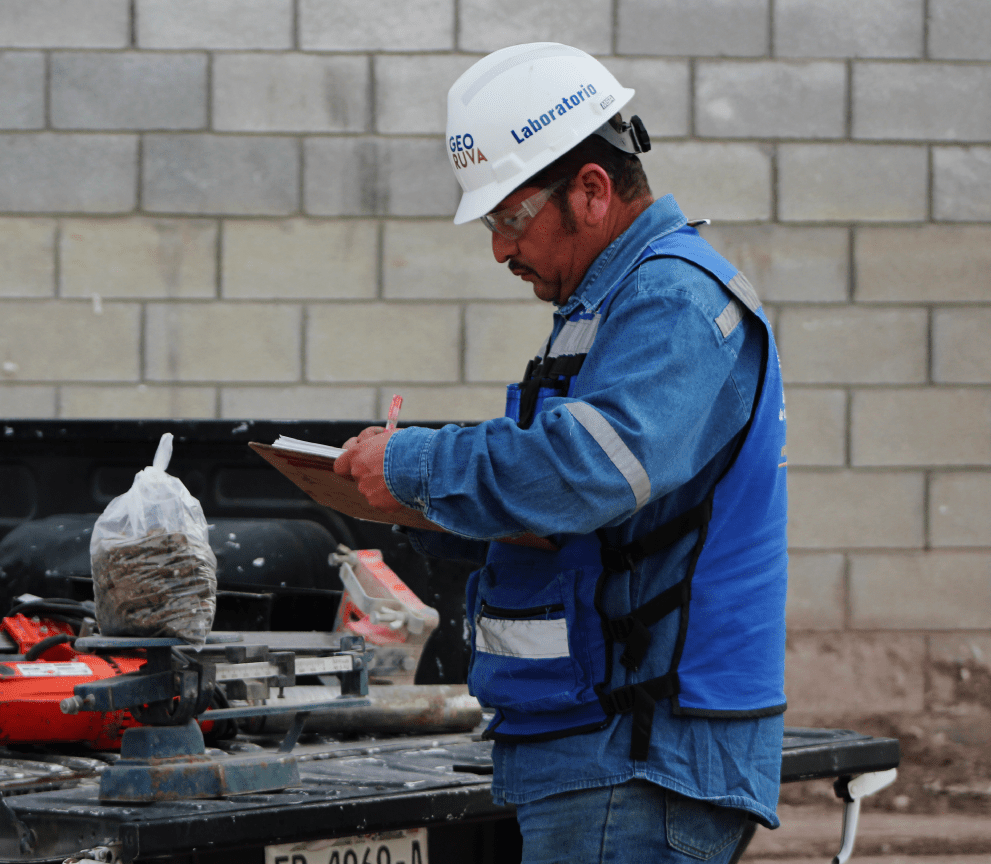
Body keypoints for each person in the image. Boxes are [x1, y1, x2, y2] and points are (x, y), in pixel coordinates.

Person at [335, 43, 788, 863]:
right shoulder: (606, 304)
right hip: (599, 740)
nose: (502, 251)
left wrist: (418, 467)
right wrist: (420, 507)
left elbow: (584, 475)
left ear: (591, 190)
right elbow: (577, 523)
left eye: (510, 219)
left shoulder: (676, 301)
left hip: (645, 751)